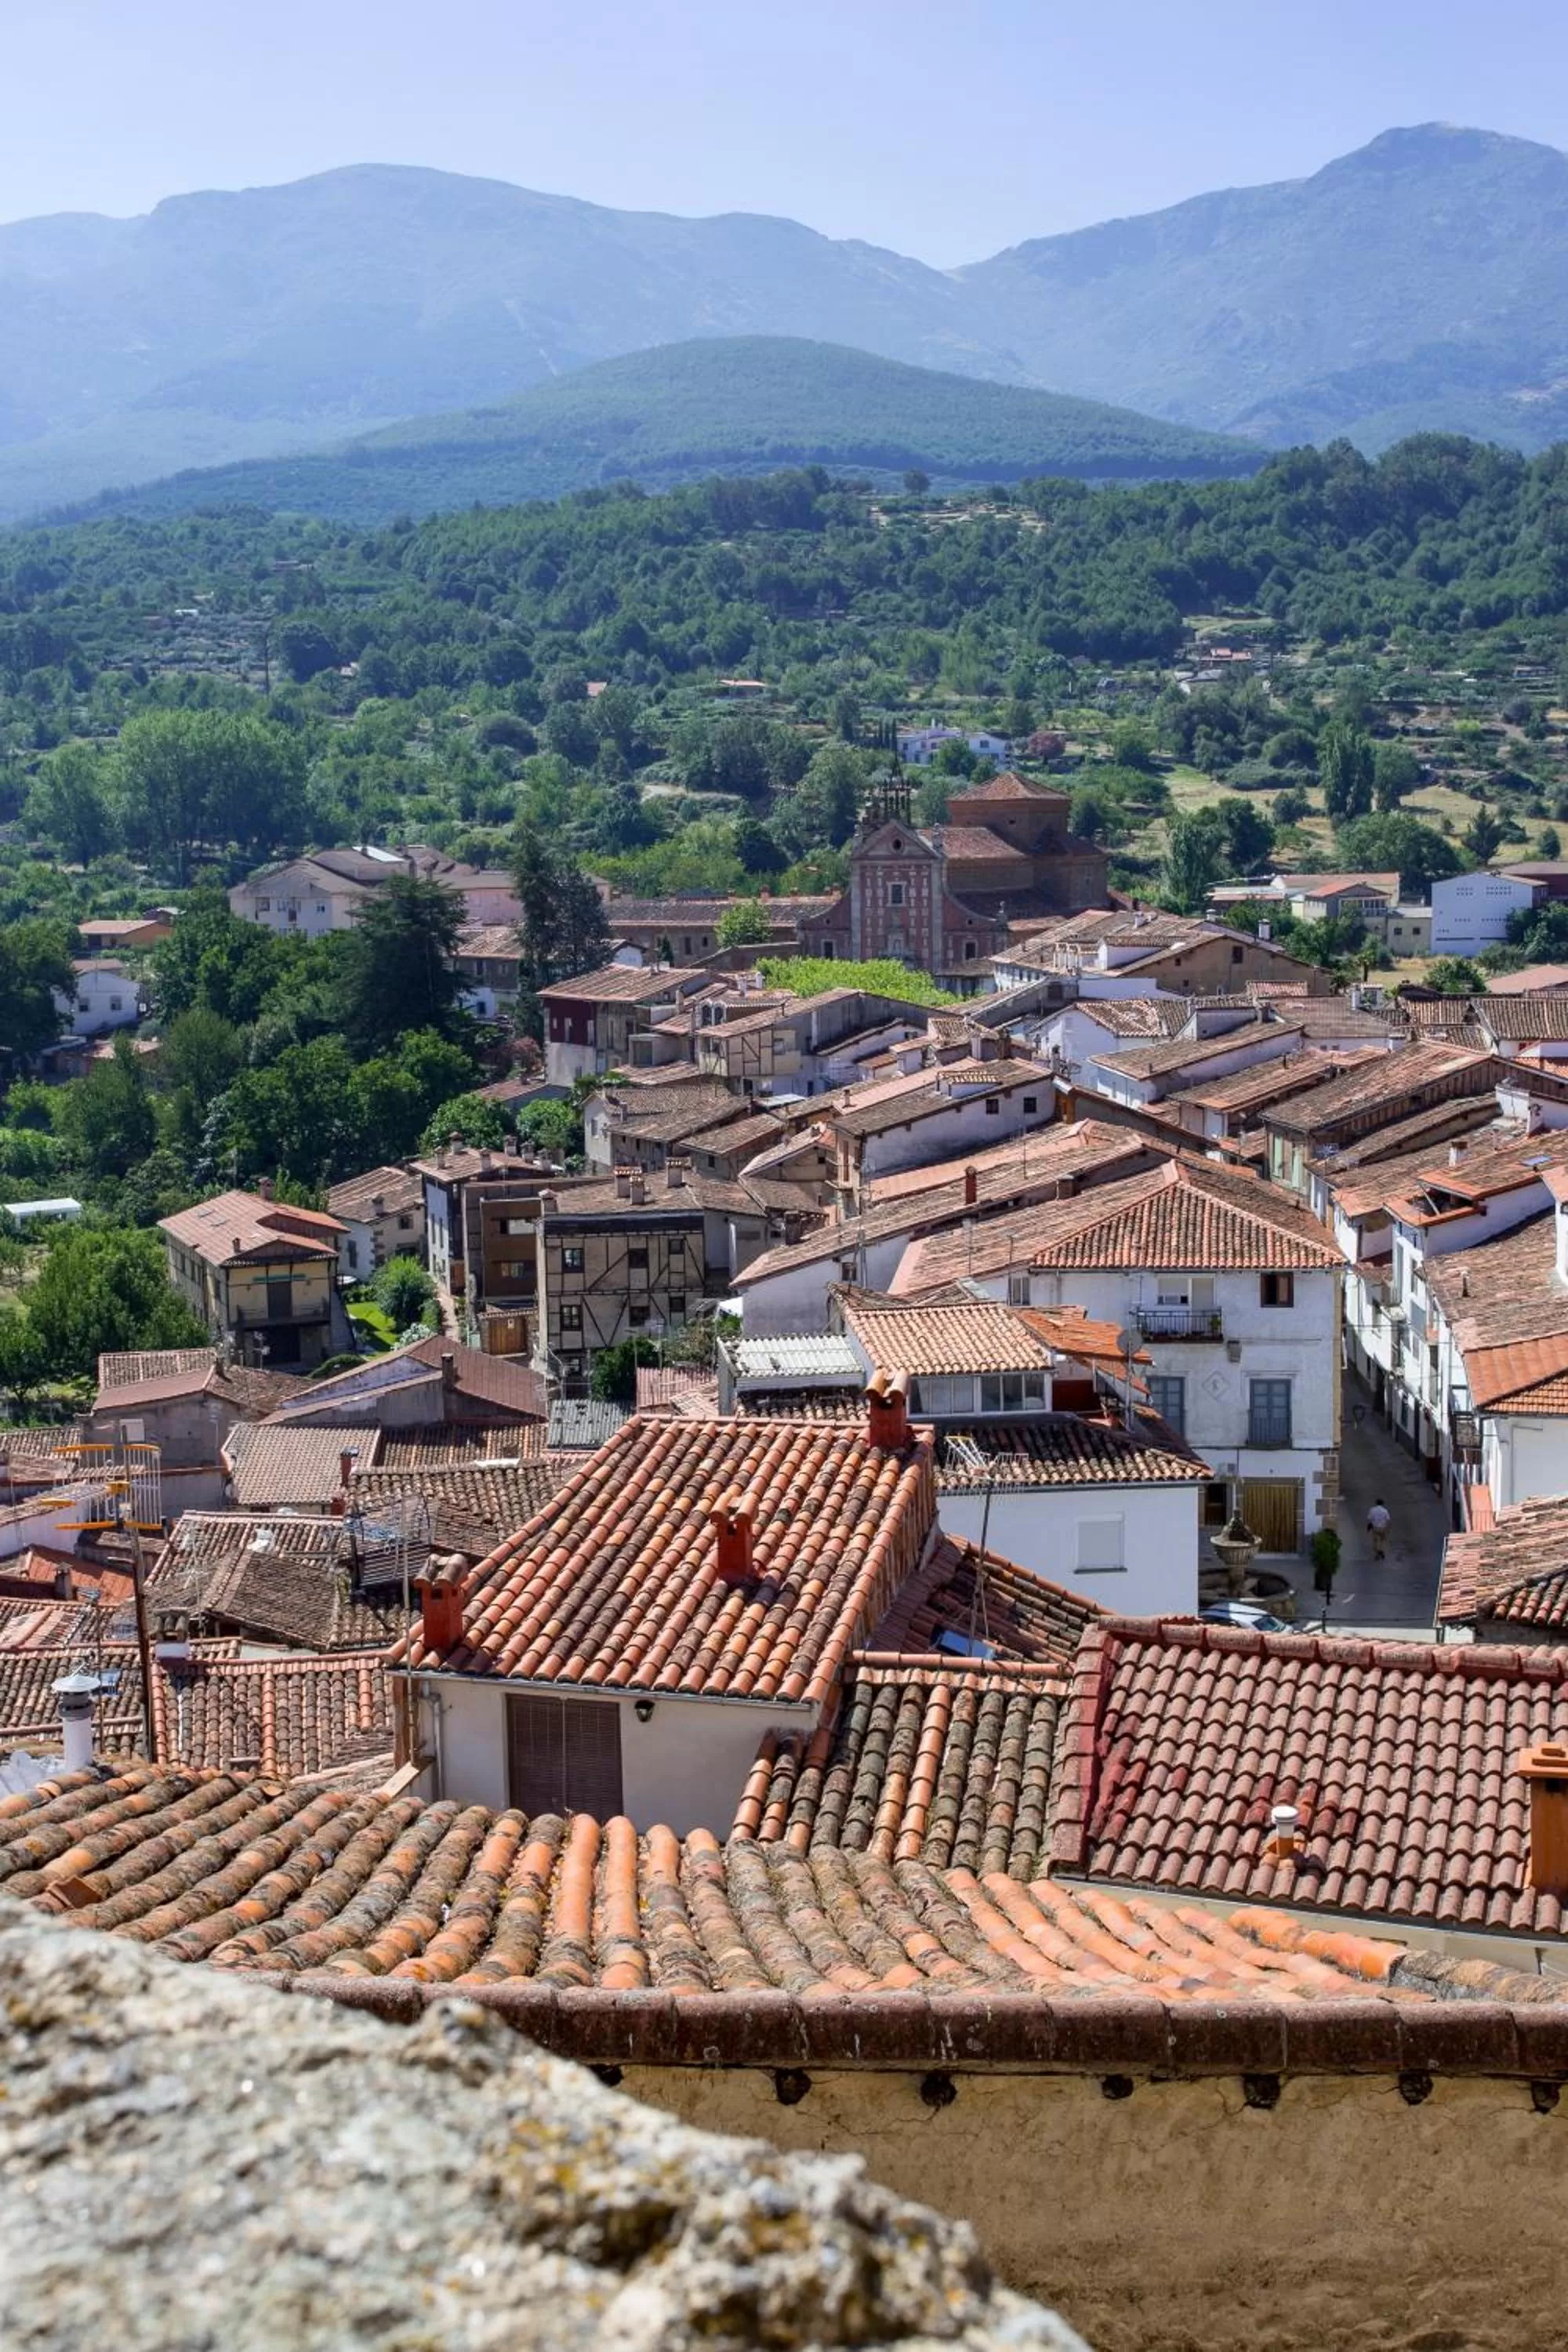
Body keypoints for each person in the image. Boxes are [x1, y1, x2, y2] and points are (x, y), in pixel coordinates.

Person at [1366, 1498, 1390, 1562]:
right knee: (1382, 1540)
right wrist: (1387, 1528)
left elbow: (1369, 1518)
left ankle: (1377, 1553)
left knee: (1375, 1541)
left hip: (1375, 1528)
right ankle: (1381, 1549)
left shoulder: (1372, 1510)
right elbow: (1387, 1519)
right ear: (1382, 1504)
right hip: (1383, 1527)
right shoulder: (1385, 1511)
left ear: (1376, 1503)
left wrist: (1370, 1524)